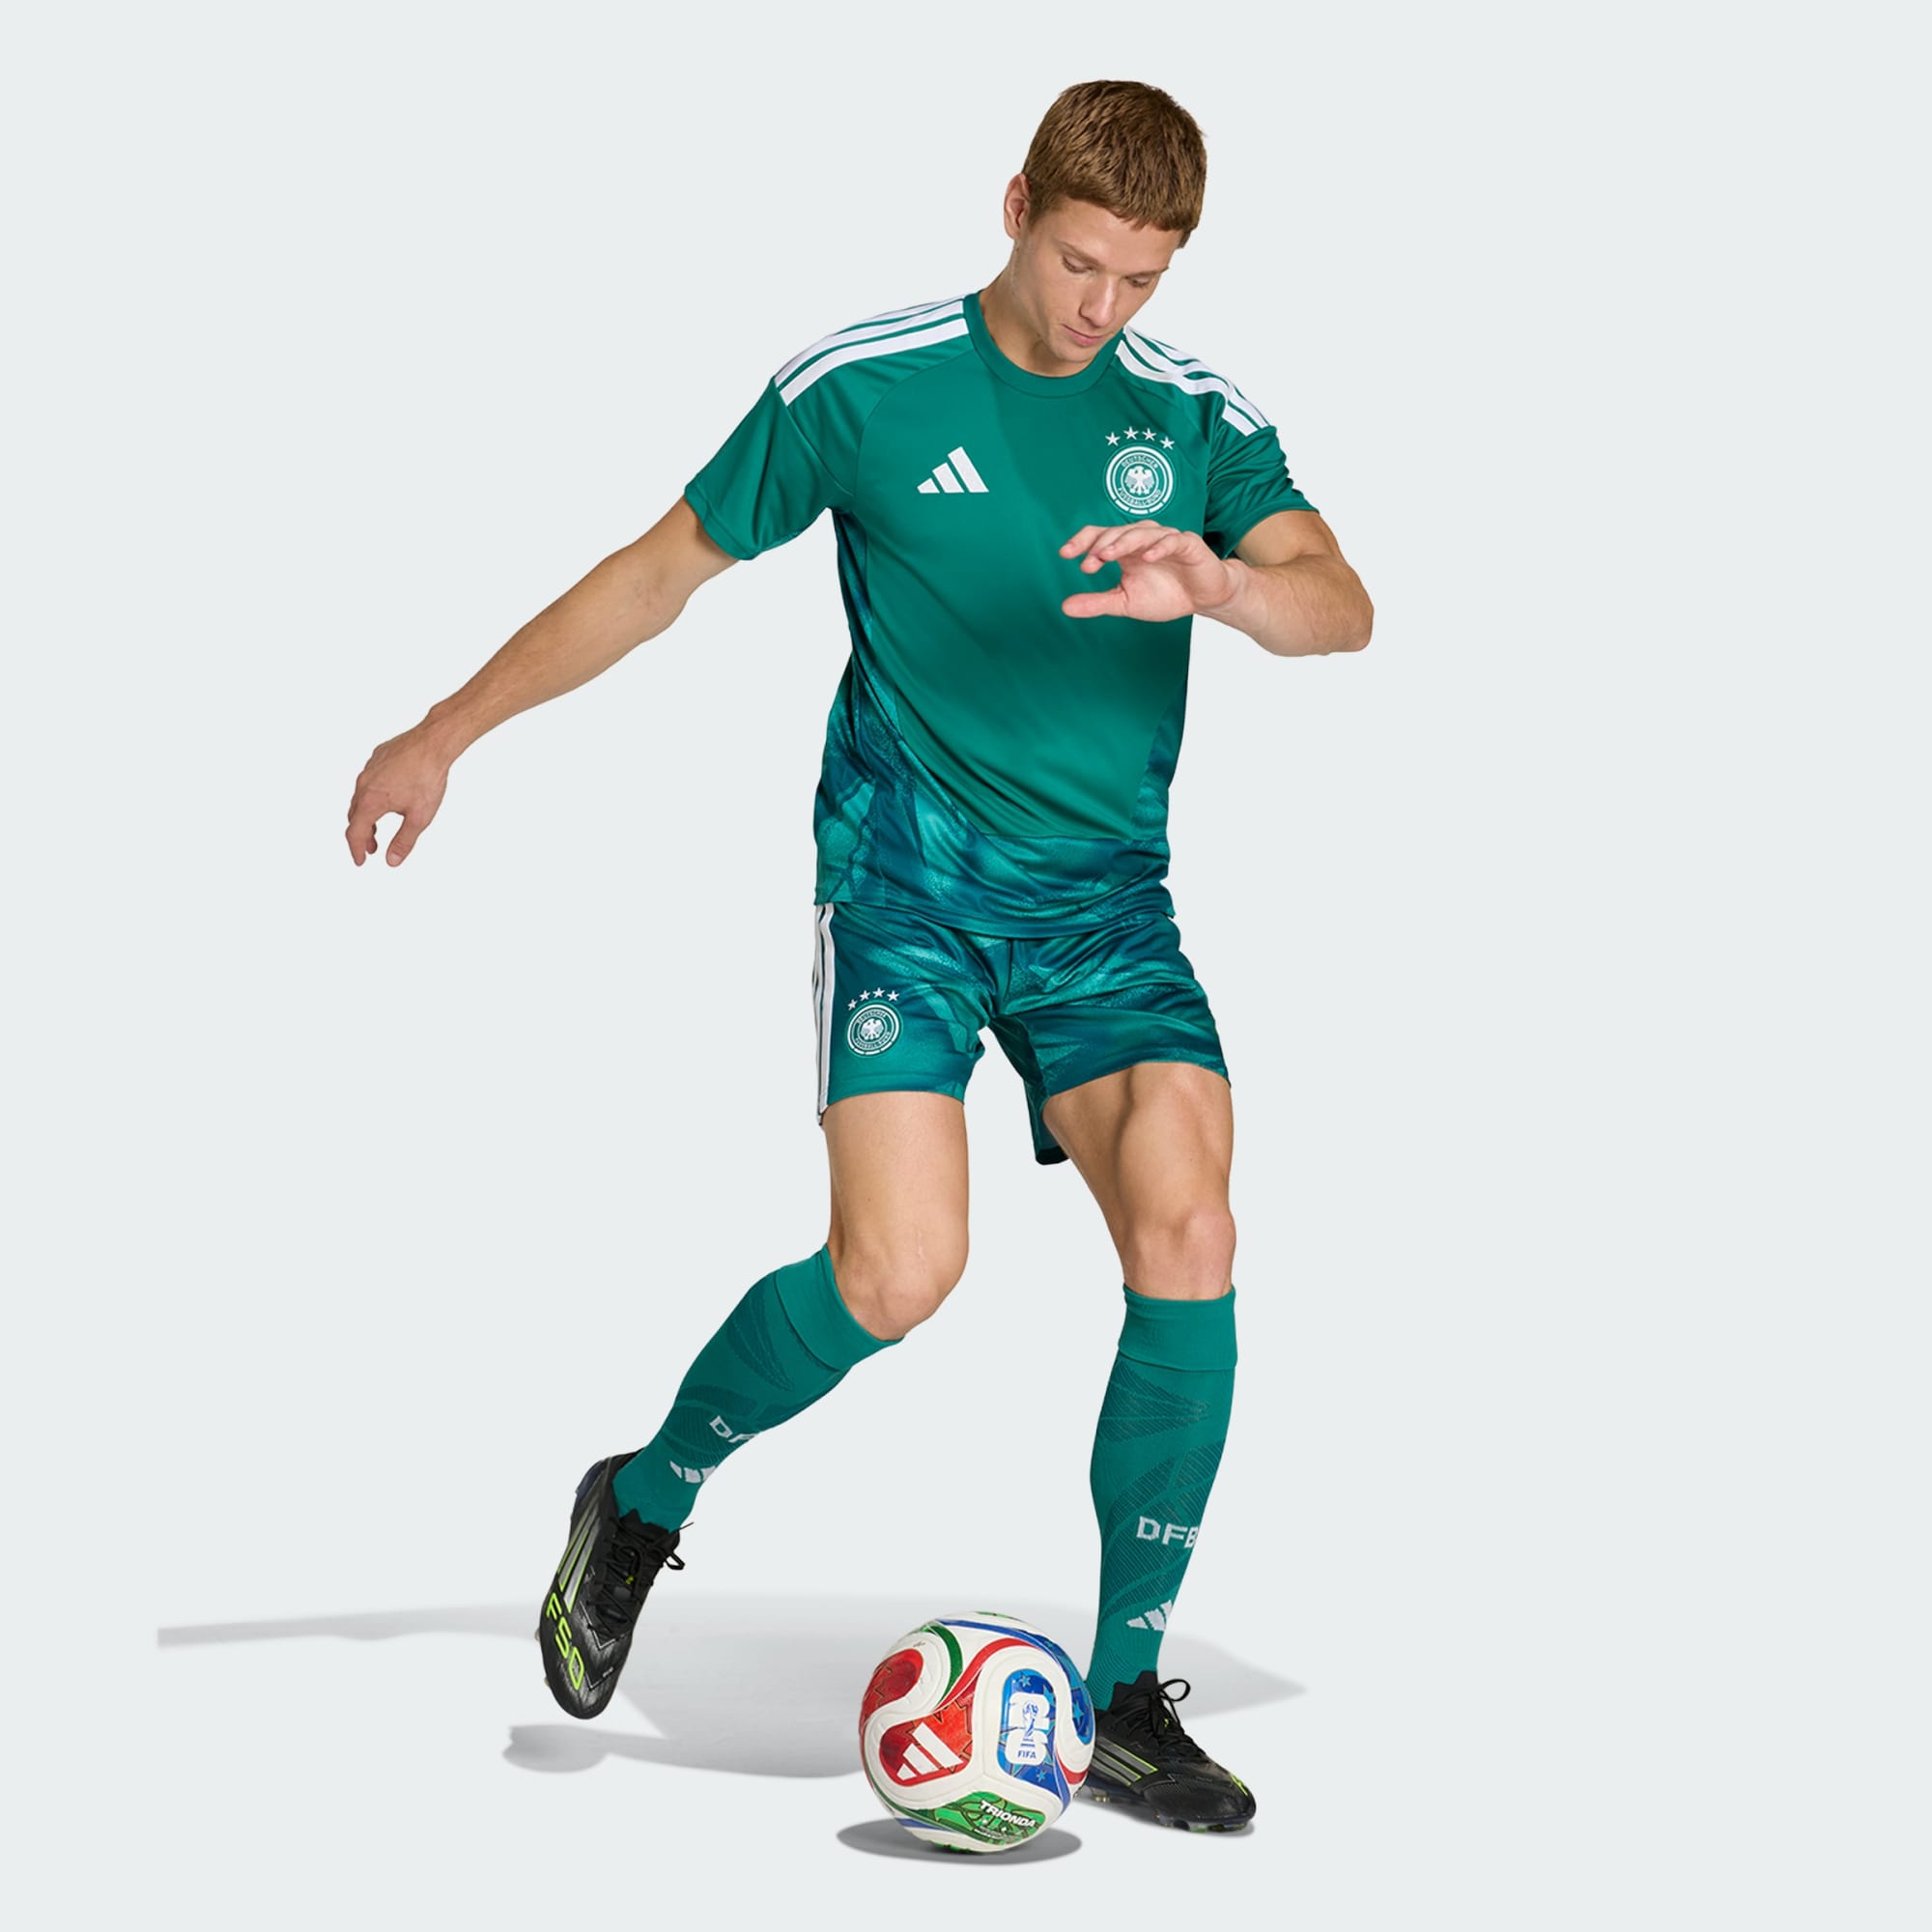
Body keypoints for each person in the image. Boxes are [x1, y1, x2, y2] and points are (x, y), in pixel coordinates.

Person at [347, 78, 1372, 1833]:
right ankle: (645, 1497)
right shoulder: (867, 386)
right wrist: (444, 732)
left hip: (1106, 910)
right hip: (907, 889)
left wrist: (1221, 585)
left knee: (1193, 1230)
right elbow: (655, 575)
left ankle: (1126, 1692)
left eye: (1141, 277)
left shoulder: (1194, 414)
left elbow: (1339, 602)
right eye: (1079, 261)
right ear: (1015, 206)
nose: (1102, 307)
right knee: (898, 1274)